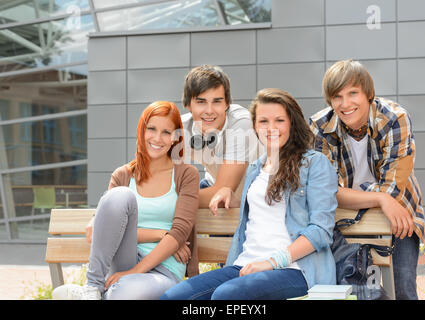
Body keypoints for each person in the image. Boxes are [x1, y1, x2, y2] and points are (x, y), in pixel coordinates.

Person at [160, 88, 338, 300]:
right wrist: (229, 193)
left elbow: (321, 230)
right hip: (245, 265)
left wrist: (271, 262)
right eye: (263, 121)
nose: (271, 128)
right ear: (254, 126)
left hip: (297, 270)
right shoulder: (255, 168)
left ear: (292, 122)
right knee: (173, 298)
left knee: (227, 297)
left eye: (279, 120)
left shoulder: (314, 163)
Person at [52, 101, 199, 300]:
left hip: (164, 270)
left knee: (122, 294)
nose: (157, 138)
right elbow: (97, 231)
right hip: (123, 261)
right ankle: (93, 288)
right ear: (142, 130)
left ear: (175, 137)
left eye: (166, 132)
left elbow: (180, 232)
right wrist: (162, 234)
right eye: (152, 129)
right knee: (121, 195)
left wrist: (134, 272)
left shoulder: (186, 174)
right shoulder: (122, 175)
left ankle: (93, 295)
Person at [309, 59, 425, 300]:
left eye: (353, 93)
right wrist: (379, 198)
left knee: (403, 288)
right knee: (357, 289)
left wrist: (378, 198)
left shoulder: (394, 119)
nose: (345, 104)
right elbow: (326, 190)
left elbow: (393, 189)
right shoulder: (319, 127)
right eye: (337, 96)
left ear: (368, 94)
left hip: (398, 214)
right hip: (344, 220)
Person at [181, 65, 261, 209]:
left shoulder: (241, 124)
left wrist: (166, 202)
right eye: (201, 102)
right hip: (212, 185)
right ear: (188, 104)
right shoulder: (181, 128)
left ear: (227, 103)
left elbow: (222, 192)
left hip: (253, 196)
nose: (209, 111)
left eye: (217, 101)